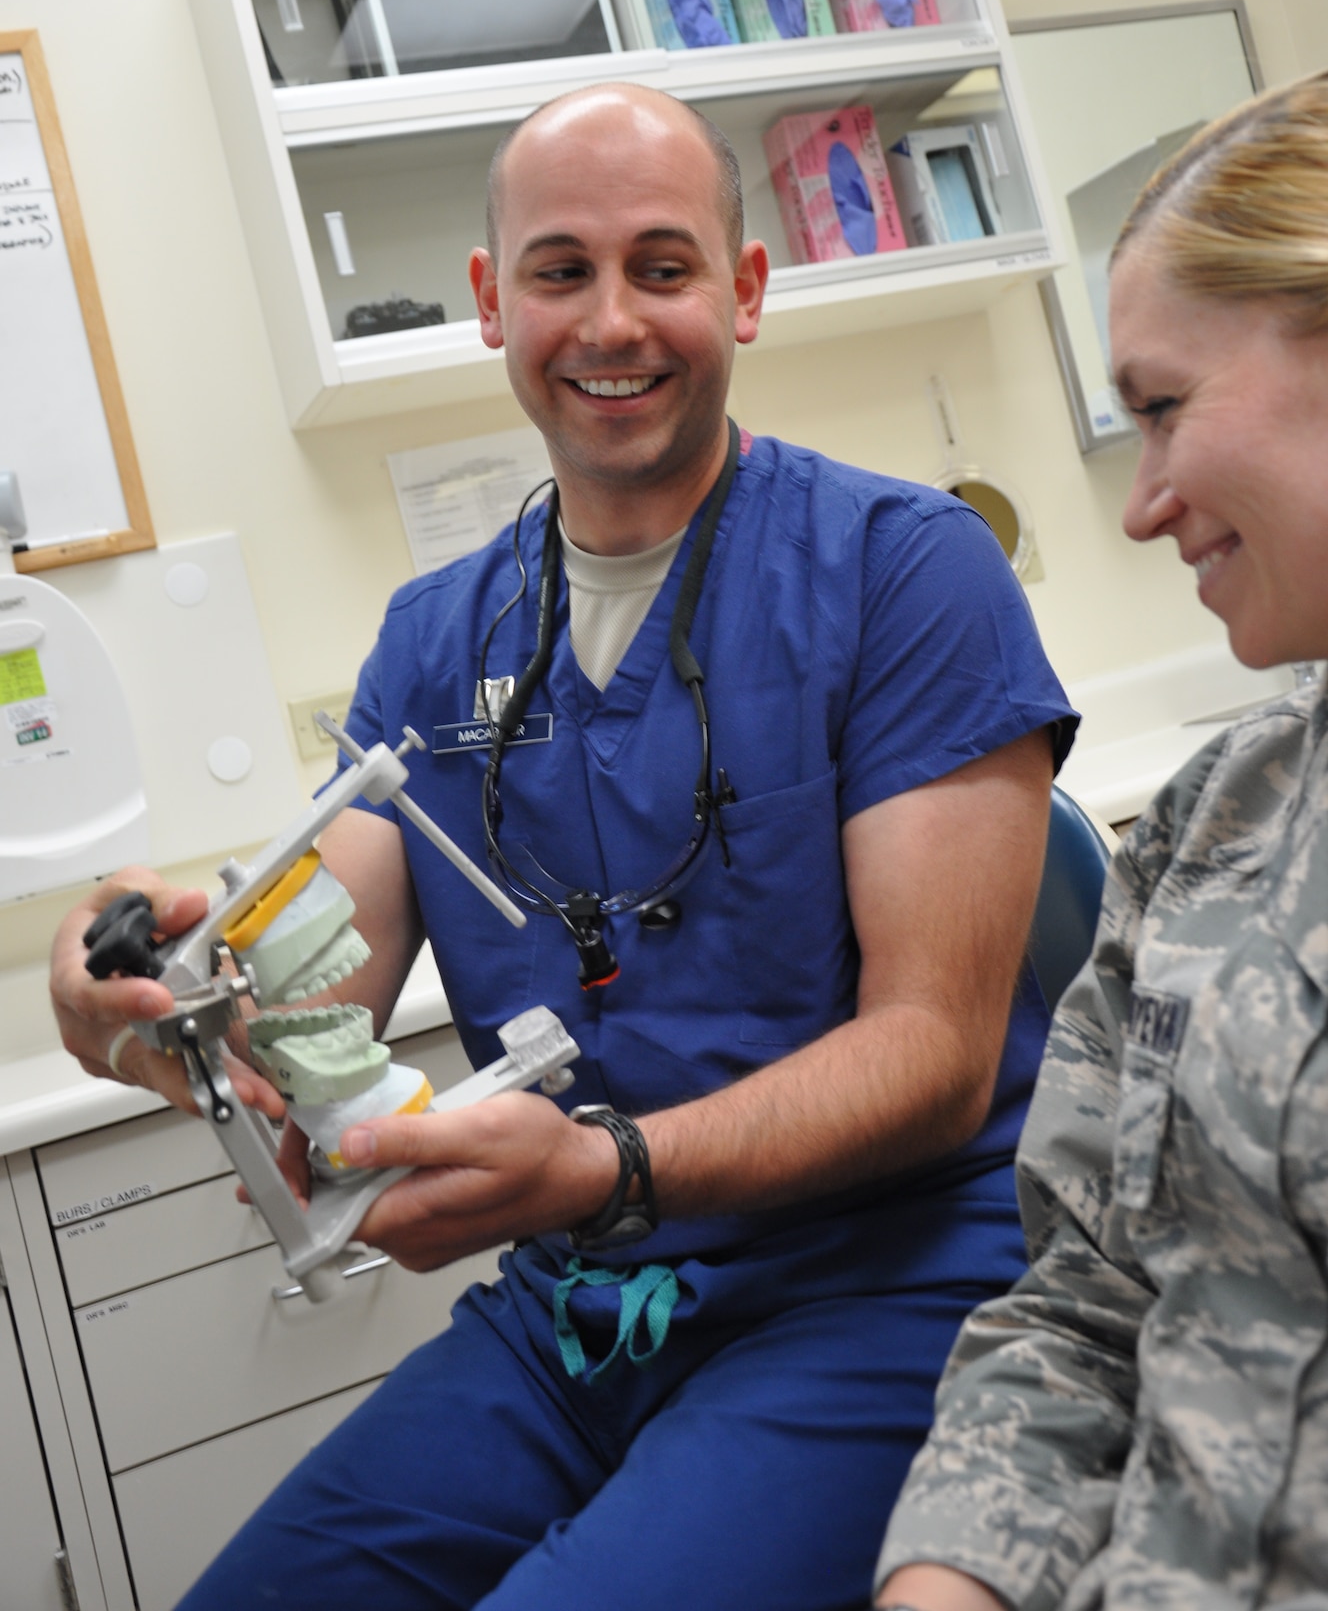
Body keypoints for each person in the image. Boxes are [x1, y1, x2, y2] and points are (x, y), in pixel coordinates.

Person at [51, 82, 1074, 1611]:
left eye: (664, 268)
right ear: (491, 303)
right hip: (582, 1307)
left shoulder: (905, 572)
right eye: (560, 271)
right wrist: (154, 1001)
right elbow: (310, 985)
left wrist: (605, 1168)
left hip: (881, 1284)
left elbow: (933, 1049)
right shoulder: (431, 639)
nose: (612, 322)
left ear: (742, 290)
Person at [876, 71, 1328, 1611]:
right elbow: (1083, 1302)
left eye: (1163, 408)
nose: (1140, 508)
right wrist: (949, 1579)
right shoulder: (1216, 825)